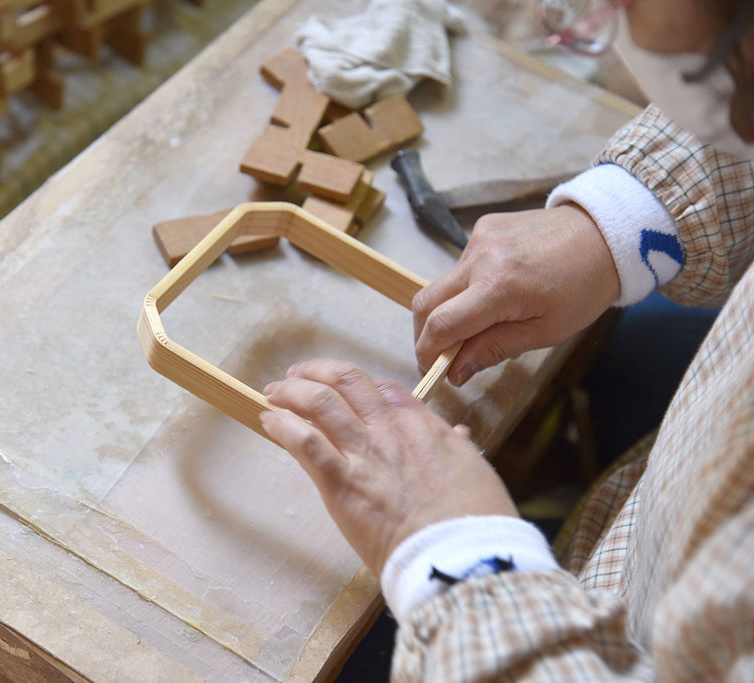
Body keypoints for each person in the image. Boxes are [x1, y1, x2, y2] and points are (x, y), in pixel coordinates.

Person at [260, 0, 754, 679]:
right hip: (673, 478)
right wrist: (624, 221)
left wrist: (465, 565)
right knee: (625, 363)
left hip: (630, 625)